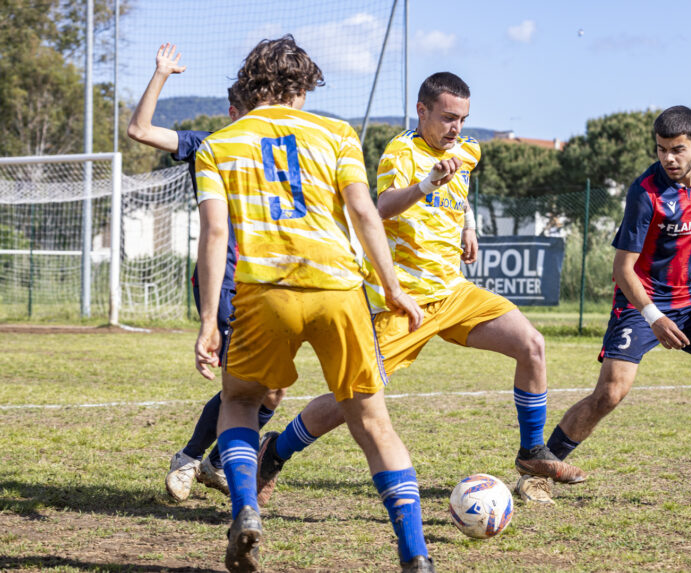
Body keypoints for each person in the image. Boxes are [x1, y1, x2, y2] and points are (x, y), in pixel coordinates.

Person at [254, 72, 586, 508]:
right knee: (349, 399)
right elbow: (382, 206)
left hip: (453, 292)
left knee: (532, 345)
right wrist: (427, 183)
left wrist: (468, 225)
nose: (457, 129)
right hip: (403, 301)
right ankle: (274, 452)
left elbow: (461, 192)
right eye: (448, 118)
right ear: (422, 110)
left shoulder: (465, 152)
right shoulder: (400, 151)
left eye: (463, 119)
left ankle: (530, 453)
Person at [194, 35, 434, 573]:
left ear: (252, 85)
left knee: (239, 403)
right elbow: (364, 213)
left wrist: (210, 320)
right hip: (338, 291)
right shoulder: (337, 133)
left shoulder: (218, 144)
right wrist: (392, 287)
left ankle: (247, 509)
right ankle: (415, 552)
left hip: (264, 291)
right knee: (373, 423)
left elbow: (214, 236)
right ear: (301, 87)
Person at [536, 105, 691, 505]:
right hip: (641, 303)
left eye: (678, 149)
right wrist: (654, 316)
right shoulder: (645, 192)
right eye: (662, 149)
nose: (669, 158)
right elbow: (622, 269)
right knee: (610, 393)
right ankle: (541, 472)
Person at [127, 44, 287, 502]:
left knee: (273, 390)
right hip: (226, 280)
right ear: (233, 111)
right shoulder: (207, 146)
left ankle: (216, 461)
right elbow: (139, 129)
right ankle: (191, 456)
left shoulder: (273, 155)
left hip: (267, 281)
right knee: (244, 385)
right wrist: (161, 74)